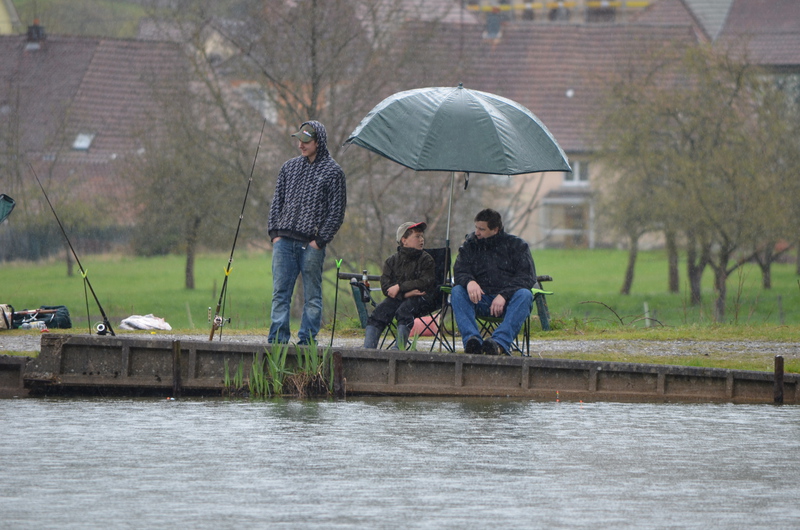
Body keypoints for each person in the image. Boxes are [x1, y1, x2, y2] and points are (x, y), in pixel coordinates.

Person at [268, 121, 346, 345]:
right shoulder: (289, 168)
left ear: (318, 142)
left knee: (312, 296)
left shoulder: (334, 172)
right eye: (299, 140)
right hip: (284, 242)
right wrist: (275, 234)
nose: (301, 145)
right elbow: (277, 202)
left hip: (311, 244)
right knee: (280, 294)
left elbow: (336, 212)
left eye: (306, 141)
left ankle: (307, 341)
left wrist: (319, 241)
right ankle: (277, 342)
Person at [451, 208, 535, 355]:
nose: (477, 232)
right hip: (479, 299)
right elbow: (459, 270)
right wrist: (469, 282)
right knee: (457, 291)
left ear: (495, 229)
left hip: (508, 303)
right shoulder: (470, 245)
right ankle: (472, 341)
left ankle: (498, 343)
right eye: (476, 227)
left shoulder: (517, 246)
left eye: (482, 229)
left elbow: (526, 277)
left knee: (525, 295)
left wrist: (504, 295)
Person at [363, 222, 438, 350]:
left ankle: (399, 349)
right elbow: (386, 287)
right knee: (379, 312)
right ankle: (368, 349)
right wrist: (406, 293)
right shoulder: (391, 261)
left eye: (422, 236)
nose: (421, 240)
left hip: (422, 299)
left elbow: (425, 282)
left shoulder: (427, 260)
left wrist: (399, 287)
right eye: (417, 236)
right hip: (400, 298)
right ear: (404, 240)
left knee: (405, 310)